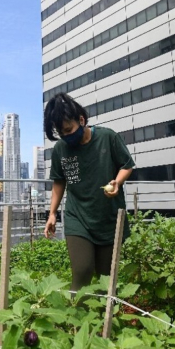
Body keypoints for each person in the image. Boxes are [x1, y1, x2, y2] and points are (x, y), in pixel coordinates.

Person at [43, 93, 135, 291]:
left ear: (82, 120)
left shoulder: (107, 137)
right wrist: (52, 214)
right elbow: (59, 182)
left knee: (106, 278)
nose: (66, 136)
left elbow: (127, 165)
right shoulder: (61, 149)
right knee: (83, 270)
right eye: (62, 133)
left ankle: (103, 319)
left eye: (69, 130)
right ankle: (77, 320)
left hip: (107, 217)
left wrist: (117, 182)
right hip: (78, 217)